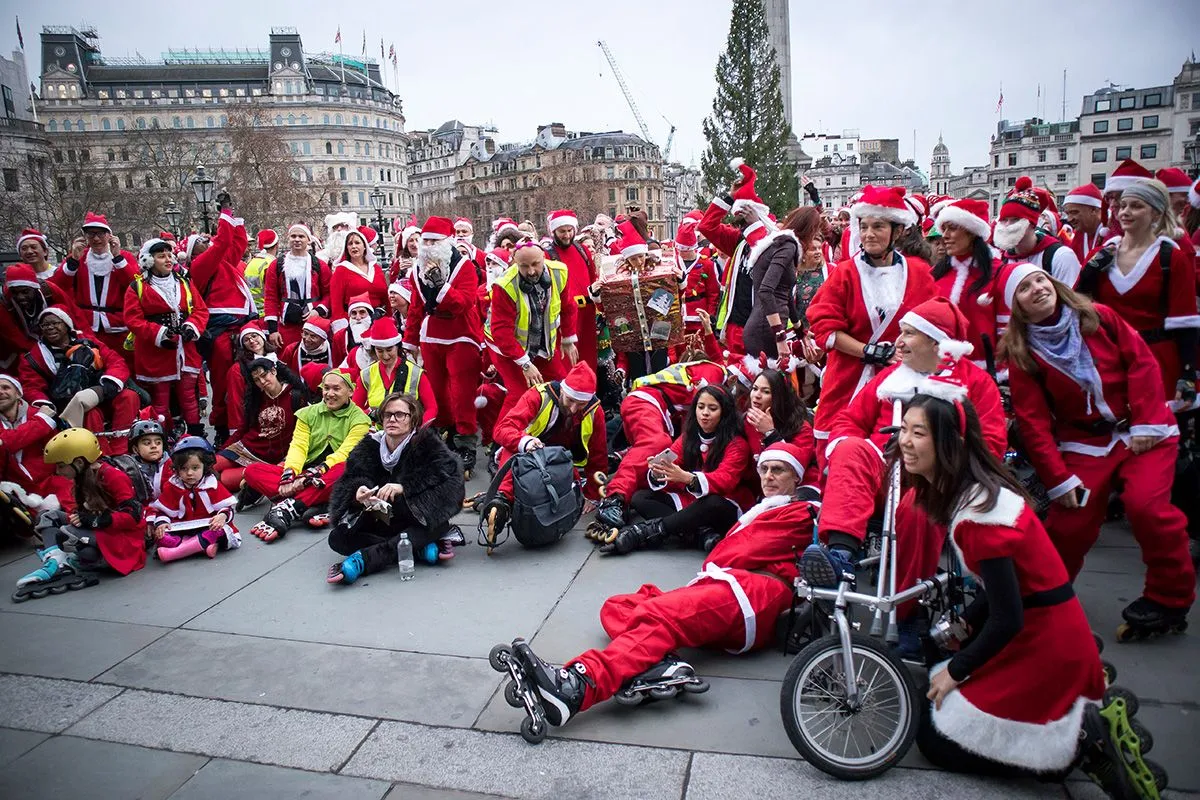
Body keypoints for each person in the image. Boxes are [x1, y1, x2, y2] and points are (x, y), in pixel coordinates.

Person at [874, 390, 1132, 795]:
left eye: (918, 433)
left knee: (933, 738)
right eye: (903, 428)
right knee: (934, 698)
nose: (904, 441)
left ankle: (1078, 742)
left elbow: (1009, 616)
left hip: (1043, 642)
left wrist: (957, 670)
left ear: (950, 444)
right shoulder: (978, 495)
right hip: (1043, 629)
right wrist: (964, 624)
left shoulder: (980, 516)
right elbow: (1004, 592)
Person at [495, 442, 817, 731]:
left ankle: (577, 686)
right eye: (765, 469)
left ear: (797, 478)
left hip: (752, 595)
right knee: (618, 606)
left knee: (658, 614)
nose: (769, 476)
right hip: (729, 585)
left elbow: (735, 554)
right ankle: (664, 664)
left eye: (779, 470)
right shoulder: (768, 509)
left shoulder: (802, 512)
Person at [1000, 262, 1195, 634]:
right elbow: (1033, 422)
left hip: (1142, 430)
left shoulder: (1099, 317)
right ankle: (1046, 600)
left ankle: (1169, 598)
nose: (1038, 288)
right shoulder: (1022, 352)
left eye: (1040, 279)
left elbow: (1142, 363)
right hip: (1086, 443)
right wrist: (1058, 479)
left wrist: (1145, 422)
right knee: (1068, 523)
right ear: (1016, 307)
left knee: (1148, 509)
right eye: (1025, 288)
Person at [808, 297, 1006, 585]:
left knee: (921, 507)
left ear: (936, 342)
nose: (898, 342)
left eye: (908, 333)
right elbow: (849, 421)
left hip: (935, 479)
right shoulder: (891, 377)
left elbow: (991, 444)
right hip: (882, 472)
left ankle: (906, 600)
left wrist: (944, 465)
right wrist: (845, 445)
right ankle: (840, 556)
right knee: (850, 448)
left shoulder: (975, 383)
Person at [805, 185, 937, 455]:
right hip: (850, 378)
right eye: (864, 226)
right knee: (837, 452)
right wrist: (870, 351)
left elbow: (935, 325)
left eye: (878, 226)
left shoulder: (920, 273)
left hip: (903, 379)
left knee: (897, 455)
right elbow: (825, 327)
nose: (868, 234)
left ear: (897, 231)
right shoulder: (844, 274)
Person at [1075, 178, 1199, 400]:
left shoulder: (1171, 258)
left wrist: (1187, 374)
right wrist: (1087, 277)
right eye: (1123, 205)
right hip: (1111, 358)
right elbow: (1078, 307)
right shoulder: (1101, 255)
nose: (1125, 212)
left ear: (1156, 214)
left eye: (1136, 206)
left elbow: (1185, 321)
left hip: (1157, 359)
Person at [326, 392, 466, 583]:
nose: (392, 419)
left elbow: (451, 480)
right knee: (337, 538)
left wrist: (404, 487)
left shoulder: (427, 444)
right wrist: (357, 493)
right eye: (387, 414)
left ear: (412, 419)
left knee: (438, 523)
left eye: (400, 415)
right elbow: (349, 480)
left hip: (413, 516)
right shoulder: (368, 446)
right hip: (380, 519)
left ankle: (364, 560)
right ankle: (415, 548)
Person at [602, 385, 752, 555]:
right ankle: (700, 534)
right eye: (700, 407)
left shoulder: (737, 444)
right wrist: (658, 472)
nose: (704, 413)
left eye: (712, 408)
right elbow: (672, 459)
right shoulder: (689, 436)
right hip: (693, 500)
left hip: (725, 503)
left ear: (724, 412)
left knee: (712, 503)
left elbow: (725, 480)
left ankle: (648, 531)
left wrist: (688, 478)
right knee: (640, 497)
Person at [593, 356, 731, 533]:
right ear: (734, 379)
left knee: (659, 455)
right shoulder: (716, 374)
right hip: (646, 402)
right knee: (657, 443)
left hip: (653, 407)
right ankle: (615, 498)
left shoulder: (706, 373)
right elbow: (699, 415)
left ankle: (626, 470)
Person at [485, 362, 607, 545]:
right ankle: (501, 501)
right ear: (562, 390)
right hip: (527, 455)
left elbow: (599, 455)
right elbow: (502, 429)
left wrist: (594, 494)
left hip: (563, 464)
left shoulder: (595, 410)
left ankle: (503, 502)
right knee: (514, 457)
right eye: (570, 400)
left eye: (580, 404)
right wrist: (525, 442)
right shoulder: (537, 395)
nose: (573, 409)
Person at [244, 368, 372, 542]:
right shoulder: (307, 413)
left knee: (343, 469)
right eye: (326, 388)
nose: (330, 393)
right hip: (304, 476)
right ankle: (319, 504)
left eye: (336, 388)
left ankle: (289, 508)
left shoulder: (360, 419)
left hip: (329, 476)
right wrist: (289, 475)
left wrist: (310, 477)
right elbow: (299, 447)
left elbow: (344, 453)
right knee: (252, 471)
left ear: (350, 391)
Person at [16, 428, 146, 596]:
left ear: (78, 462)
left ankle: (66, 563)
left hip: (123, 541)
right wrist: (83, 517)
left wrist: (95, 520)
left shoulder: (113, 476)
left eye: (61, 466)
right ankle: (56, 562)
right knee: (47, 516)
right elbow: (84, 512)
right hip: (100, 532)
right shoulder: (82, 477)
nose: (58, 472)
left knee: (67, 534)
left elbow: (133, 516)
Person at [402, 216, 483, 472]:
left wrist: (441, 286)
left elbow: (464, 304)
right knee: (436, 390)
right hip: (431, 334)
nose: (428, 246)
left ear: (446, 242)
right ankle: (445, 431)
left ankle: (466, 440)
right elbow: (416, 307)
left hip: (462, 333)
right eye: (425, 241)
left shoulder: (465, 267)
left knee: (462, 390)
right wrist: (410, 340)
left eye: (434, 241)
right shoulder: (416, 271)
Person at [19, 307, 139, 455]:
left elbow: (115, 361)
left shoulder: (89, 343)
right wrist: (46, 405)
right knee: (92, 414)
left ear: (67, 325)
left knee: (129, 396)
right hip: (66, 404)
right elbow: (31, 386)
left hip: (100, 392)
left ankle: (121, 449)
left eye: (55, 323)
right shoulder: (34, 357)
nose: (50, 327)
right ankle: (102, 454)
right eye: (45, 325)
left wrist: (108, 385)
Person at [123, 238, 210, 438]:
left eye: (169, 255)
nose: (168, 260)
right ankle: (161, 437)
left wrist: (191, 326)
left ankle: (196, 436)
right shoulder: (137, 287)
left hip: (184, 349)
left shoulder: (184, 282)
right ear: (149, 260)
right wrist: (159, 334)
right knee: (160, 399)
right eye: (161, 256)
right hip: (156, 352)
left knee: (189, 396)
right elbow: (132, 319)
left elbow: (200, 310)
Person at [184, 207, 255, 445]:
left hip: (241, 326)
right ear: (193, 252)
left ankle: (247, 420)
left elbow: (238, 244)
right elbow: (223, 242)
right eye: (201, 241)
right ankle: (223, 428)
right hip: (220, 331)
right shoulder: (200, 266)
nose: (207, 240)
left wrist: (235, 217)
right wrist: (224, 214)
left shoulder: (221, 264)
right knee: (223, 382)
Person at [485, 241, 578, 421]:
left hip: (541, 343)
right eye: (524, 266)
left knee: (559, 386)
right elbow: (501, 332)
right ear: (515, 263)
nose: (531, 271)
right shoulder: (504, 285)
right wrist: (525, 364)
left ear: (544, 258)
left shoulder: (559, 273)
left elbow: (568, 307)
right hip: (505, 347)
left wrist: (568, 338)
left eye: (535, 264)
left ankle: (555, 429)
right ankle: (503, 435)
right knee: (520, 394)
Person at [700, 159, 777, 354]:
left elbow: (763, 250)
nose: (742, 226)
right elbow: (706, 226)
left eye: (745, 221)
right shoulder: (738, 241)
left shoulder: (774, 241)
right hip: (735, 328)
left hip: (761, 329)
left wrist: (755, 226)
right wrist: (730, 197)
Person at [218, 357, 309, 506]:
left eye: (264, 375)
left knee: (225, 479)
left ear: (273, 371)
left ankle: (256, 480)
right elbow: (243, 429)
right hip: (249, 448)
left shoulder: (296, 396)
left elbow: (305, 432)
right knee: (212, 465)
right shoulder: (256, 398)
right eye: (257, 380)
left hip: (278, 457)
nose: (262, 381)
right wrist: (223, 450)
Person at [50, 212, 138, 362]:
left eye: (100, 234)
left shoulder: (124, 257)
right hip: (87, 327)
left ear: (109, 235)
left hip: (118, 328)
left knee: (124, 365)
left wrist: (118, 258)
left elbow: (134, 285)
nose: (96, 239)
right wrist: (73, 261)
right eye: (91, 234)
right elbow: (59, 285)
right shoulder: (79, 257)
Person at [931, 198, 1002, 366]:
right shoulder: (935, 274)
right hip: (942, 369)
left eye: (952, 228)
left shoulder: (998, 273)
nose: (945, 235)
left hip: (988, 370)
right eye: (944, 229)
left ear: (972, 232)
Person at [150, 436, 240, 562]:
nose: (189, 473)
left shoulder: (211, 484)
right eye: (184, 468)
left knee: (218, 531)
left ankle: (175, 552)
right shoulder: (173, 486)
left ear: (205, 466)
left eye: (195, 468)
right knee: (161, 536)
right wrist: (162, 523)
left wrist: (222, 516)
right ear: (177, 469)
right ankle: (201, 546)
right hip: (181, 528)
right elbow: (163, 511)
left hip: (208, 526)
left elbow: (227, 508)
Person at [995, 177, 1082, 287]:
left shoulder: (1061, 256)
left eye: (1015, 219)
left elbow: (1070, 296)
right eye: (1004, 220)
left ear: (1032, 224)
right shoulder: (1002, 260)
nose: (1007, 225)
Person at [0, 263, 86, 369]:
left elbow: (76, 316)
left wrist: (88, 342)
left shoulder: (49, 290)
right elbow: (15, 337)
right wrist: (46, 353)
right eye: (15, 292)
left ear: (34, 288)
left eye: (25, 292)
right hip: (19, 350)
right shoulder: (5, 304)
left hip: (57, 341)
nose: (20, 297)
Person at [545, 209, 600, 370]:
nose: (567, 235)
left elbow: (593, 278)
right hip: (566, 316)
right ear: (554, 231)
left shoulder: (582, 250)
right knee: (568, 362)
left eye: (570, 230)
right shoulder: (547, 255)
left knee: (588, 360)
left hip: (587, 313)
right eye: (562, 231)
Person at [354, 317, 437, 424]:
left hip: (408, 430)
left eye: (389, 350)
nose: (385, 356)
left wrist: (420, 429)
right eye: (380, 351)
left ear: (397, 347)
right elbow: (356, 409)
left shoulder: (416, 373)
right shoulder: (366, 374)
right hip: (376, 430)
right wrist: (370, 415)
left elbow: (432, 408)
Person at [0, 373, 62, 516]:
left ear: (18, 394)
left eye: (6, 387)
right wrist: (41, 422)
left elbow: (57, 450)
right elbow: (5, 444)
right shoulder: (42, 417)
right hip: (8, 485)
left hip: (44, 483)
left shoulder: (35, 414)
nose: (0, 392)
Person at [264, 222, 332, 349]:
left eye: (301, 236)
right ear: (288, 238)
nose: (297, 239)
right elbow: (271, 297)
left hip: (314, 325)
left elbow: (329, 293)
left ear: (308, 240)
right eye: (293, 236)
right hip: (287, 326)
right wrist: (273, 329)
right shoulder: (276, 265)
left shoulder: (320, 265)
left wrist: (318, 311)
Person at [330, 227, 388, 339]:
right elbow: (336, 304)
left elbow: (385, 297)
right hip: (355, 322)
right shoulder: (341, 270)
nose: (354, 246)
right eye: (350, 244)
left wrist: (389, 318)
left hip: (379, 320)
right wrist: (343, 329)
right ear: (346, 248)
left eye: (357, 243)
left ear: (365, 246)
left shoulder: (376, 268)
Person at [280, 316, 341, 392]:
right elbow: (282, 375)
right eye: (305, 333)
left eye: (313, 336)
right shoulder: (291, 350)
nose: (307, 339)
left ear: (323, 339)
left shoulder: (333, 350)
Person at [1063, 183, 1108, 264]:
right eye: (1067, 214)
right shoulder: (1079, 235)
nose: (1069, 219)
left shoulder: (1111, 233)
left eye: (1074, 212)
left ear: (1094, 210)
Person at [127, 418, 167, 493]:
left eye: (158, 443)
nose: (154, 446)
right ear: (135, 449)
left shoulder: (171, 466)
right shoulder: (129, 470)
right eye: (147, 443)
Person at [244, 229, 278, 312]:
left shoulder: (251, 263)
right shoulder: (273, 264)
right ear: (277, 245)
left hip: (252, 311)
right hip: (268, 312)